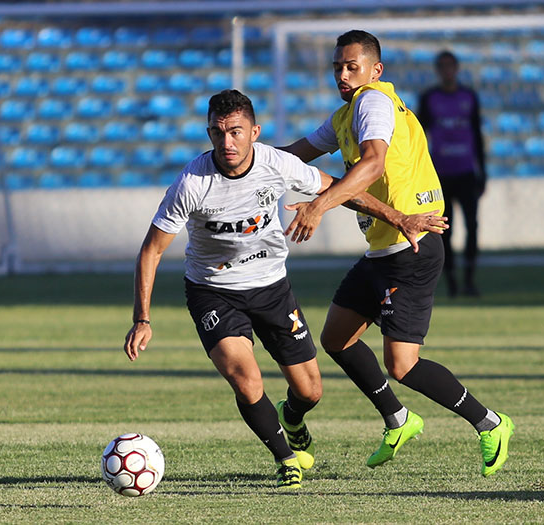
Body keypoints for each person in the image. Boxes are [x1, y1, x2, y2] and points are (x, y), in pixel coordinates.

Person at [124, 89, 446, 489]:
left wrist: (397, 217)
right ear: (208, 134)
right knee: (246, 379)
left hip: (272, 288)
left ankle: (292, 419)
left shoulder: (277, 164)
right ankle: (286, 459)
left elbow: (341, 189)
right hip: (213, 291)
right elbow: (151, 250)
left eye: (236, 132)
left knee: (310, 391)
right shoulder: (192, 183)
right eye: (218, 133)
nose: (227, 142)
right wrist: (142, 318)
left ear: (254, 132)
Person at [279, 30, 514, 477]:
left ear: (375, 69)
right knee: (336, 338)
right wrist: (243, 162)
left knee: (402, 364)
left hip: (413, 246)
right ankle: (399, 419)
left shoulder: (373, 103)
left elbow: (373, 164)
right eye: (337, 67)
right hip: (383, 250)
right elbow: (295, 155)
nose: (343, 75)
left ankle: (491, 423)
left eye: (352, 66)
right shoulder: (345, 114)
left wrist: (318, 205)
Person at [418, 50, 487, 297]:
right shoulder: (429, 99)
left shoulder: (469, 97)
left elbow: (477, 135)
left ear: (456, 69)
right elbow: (419, 137)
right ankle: (451, 283)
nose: (447, 71)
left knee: (473, 226)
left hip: (466, 173)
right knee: (444, 230)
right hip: (441, 176)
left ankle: (469, 280)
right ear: (438, 70)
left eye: (451, 66)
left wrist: (483, 172)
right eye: (443, 66)